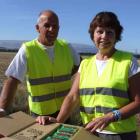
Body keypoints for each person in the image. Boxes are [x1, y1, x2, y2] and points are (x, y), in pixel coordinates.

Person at [36, 11, 140, 140]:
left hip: (119, 135)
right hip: (89, 133)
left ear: (116, 36)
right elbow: (73, 97)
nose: (104, 37)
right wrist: (58, 121)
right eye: (100, 31)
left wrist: (110, 116)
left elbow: (138, 102)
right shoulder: (85, 64)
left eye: (110, 32)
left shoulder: (128, 61)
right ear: (93, 35)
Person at [0, 10, 80, 118]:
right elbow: (12, 80)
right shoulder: (28, 49)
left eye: (55, 26)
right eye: (47, 25)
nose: (51, 29)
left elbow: (81, 66)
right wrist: (2, 109)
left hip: (64, 111)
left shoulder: (66, 47)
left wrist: (69, 76)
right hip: (40, 114)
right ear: (37, 28)